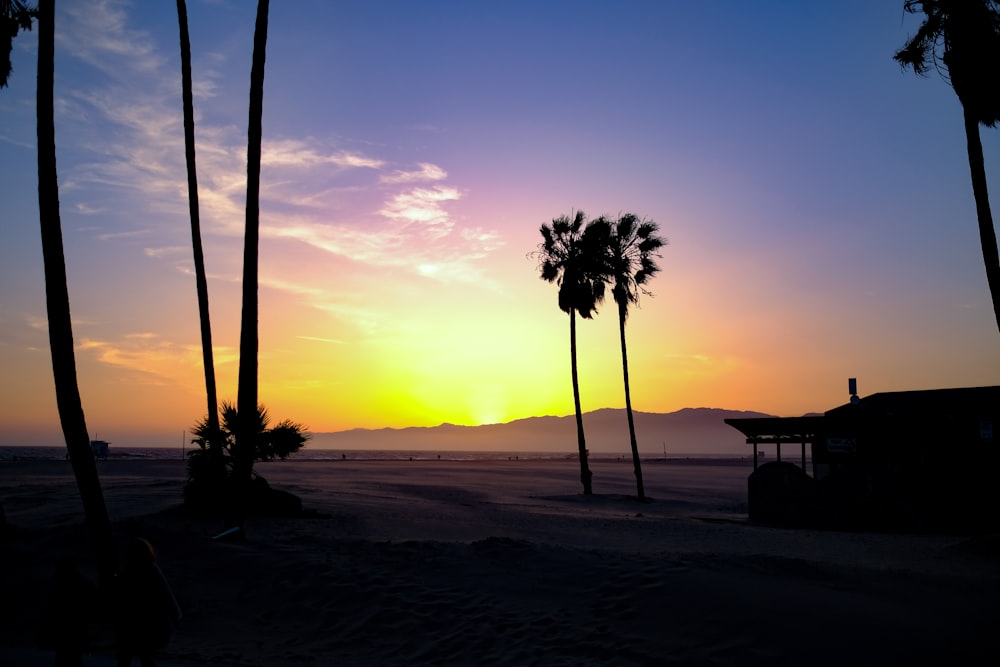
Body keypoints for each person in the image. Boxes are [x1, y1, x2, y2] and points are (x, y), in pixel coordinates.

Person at [114, 538, 181, 667]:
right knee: (139, 654)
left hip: (144, 621)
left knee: (134, 653)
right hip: (142, 621)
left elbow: (160, 595)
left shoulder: (146, 570)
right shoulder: (148, 569)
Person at [38, 557, 97, 667]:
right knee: (70, 657)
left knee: (67, 657)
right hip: (71, 628)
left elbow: (52, 608)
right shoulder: (76, 582)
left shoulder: (64, 583)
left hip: (69, 628)